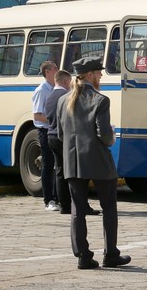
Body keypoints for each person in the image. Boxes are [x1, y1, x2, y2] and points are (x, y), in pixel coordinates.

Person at [57, 56, 131, 270]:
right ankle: (111, 254)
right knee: (109, 208)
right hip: (98, 160)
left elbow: (61, 134)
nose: (100, 75)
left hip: (72, 161)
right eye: (98, 72)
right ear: (89, 75)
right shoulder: (101, 100)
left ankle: (83, 256)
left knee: (77, 210)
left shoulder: (63, 100)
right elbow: (105, 136)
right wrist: (112, 136)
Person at [45, 69, 100, 216]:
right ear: (65, 81)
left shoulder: (50, 96)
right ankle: (79, 204)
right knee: (74, 173)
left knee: (60, 172)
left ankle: (64, 204)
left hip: (51, 135)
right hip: (64, 137)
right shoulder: (65, 96)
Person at [33, 60, 58, 211]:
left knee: (57, 166)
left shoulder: (56, 88)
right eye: (55, 68)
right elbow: (37, 115)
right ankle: (48, 199)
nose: (57, 70)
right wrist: (53, 119)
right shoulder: (42, 90)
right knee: (48, 165)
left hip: (56, 131)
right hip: (45, 131)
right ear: (47, 72)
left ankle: (57, 197)